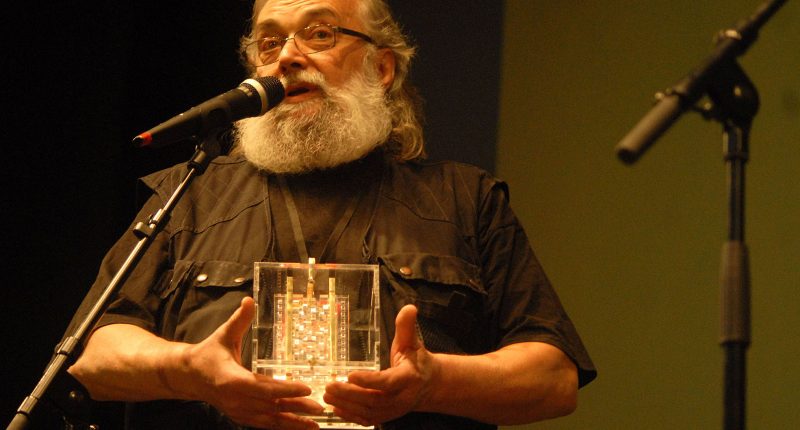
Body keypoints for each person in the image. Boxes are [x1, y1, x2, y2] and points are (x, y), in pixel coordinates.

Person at [66, 0, 597, 429]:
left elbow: (553, 379)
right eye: (269, 42)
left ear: (381, 67)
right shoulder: (190, 192)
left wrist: (432, 383)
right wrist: (189, 371)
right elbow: (93, 355)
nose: (287, 57)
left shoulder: (464, 198)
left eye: (319, 34)